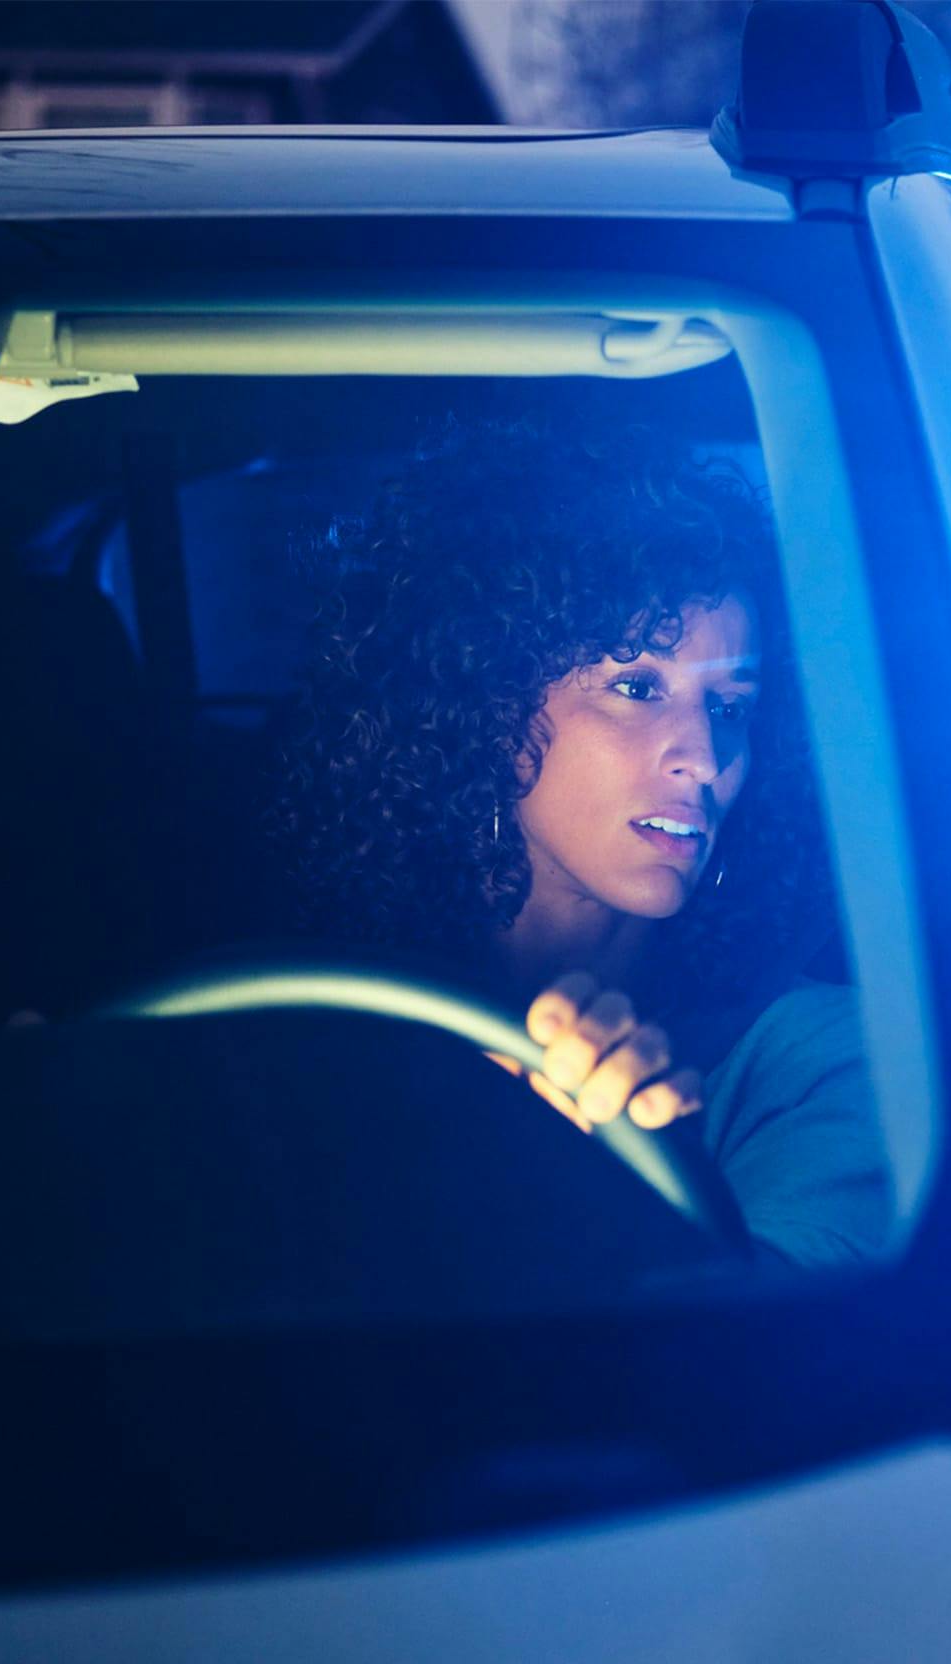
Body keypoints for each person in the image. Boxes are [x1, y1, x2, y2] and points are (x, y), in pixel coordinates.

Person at [271, 413, 890, 1268]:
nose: (706, 758)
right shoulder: (303, 1029)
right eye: (638, 687)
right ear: (485, 705)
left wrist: (608, 1182)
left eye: (731, 707)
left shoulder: (816, 1057)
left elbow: (788, 1345)